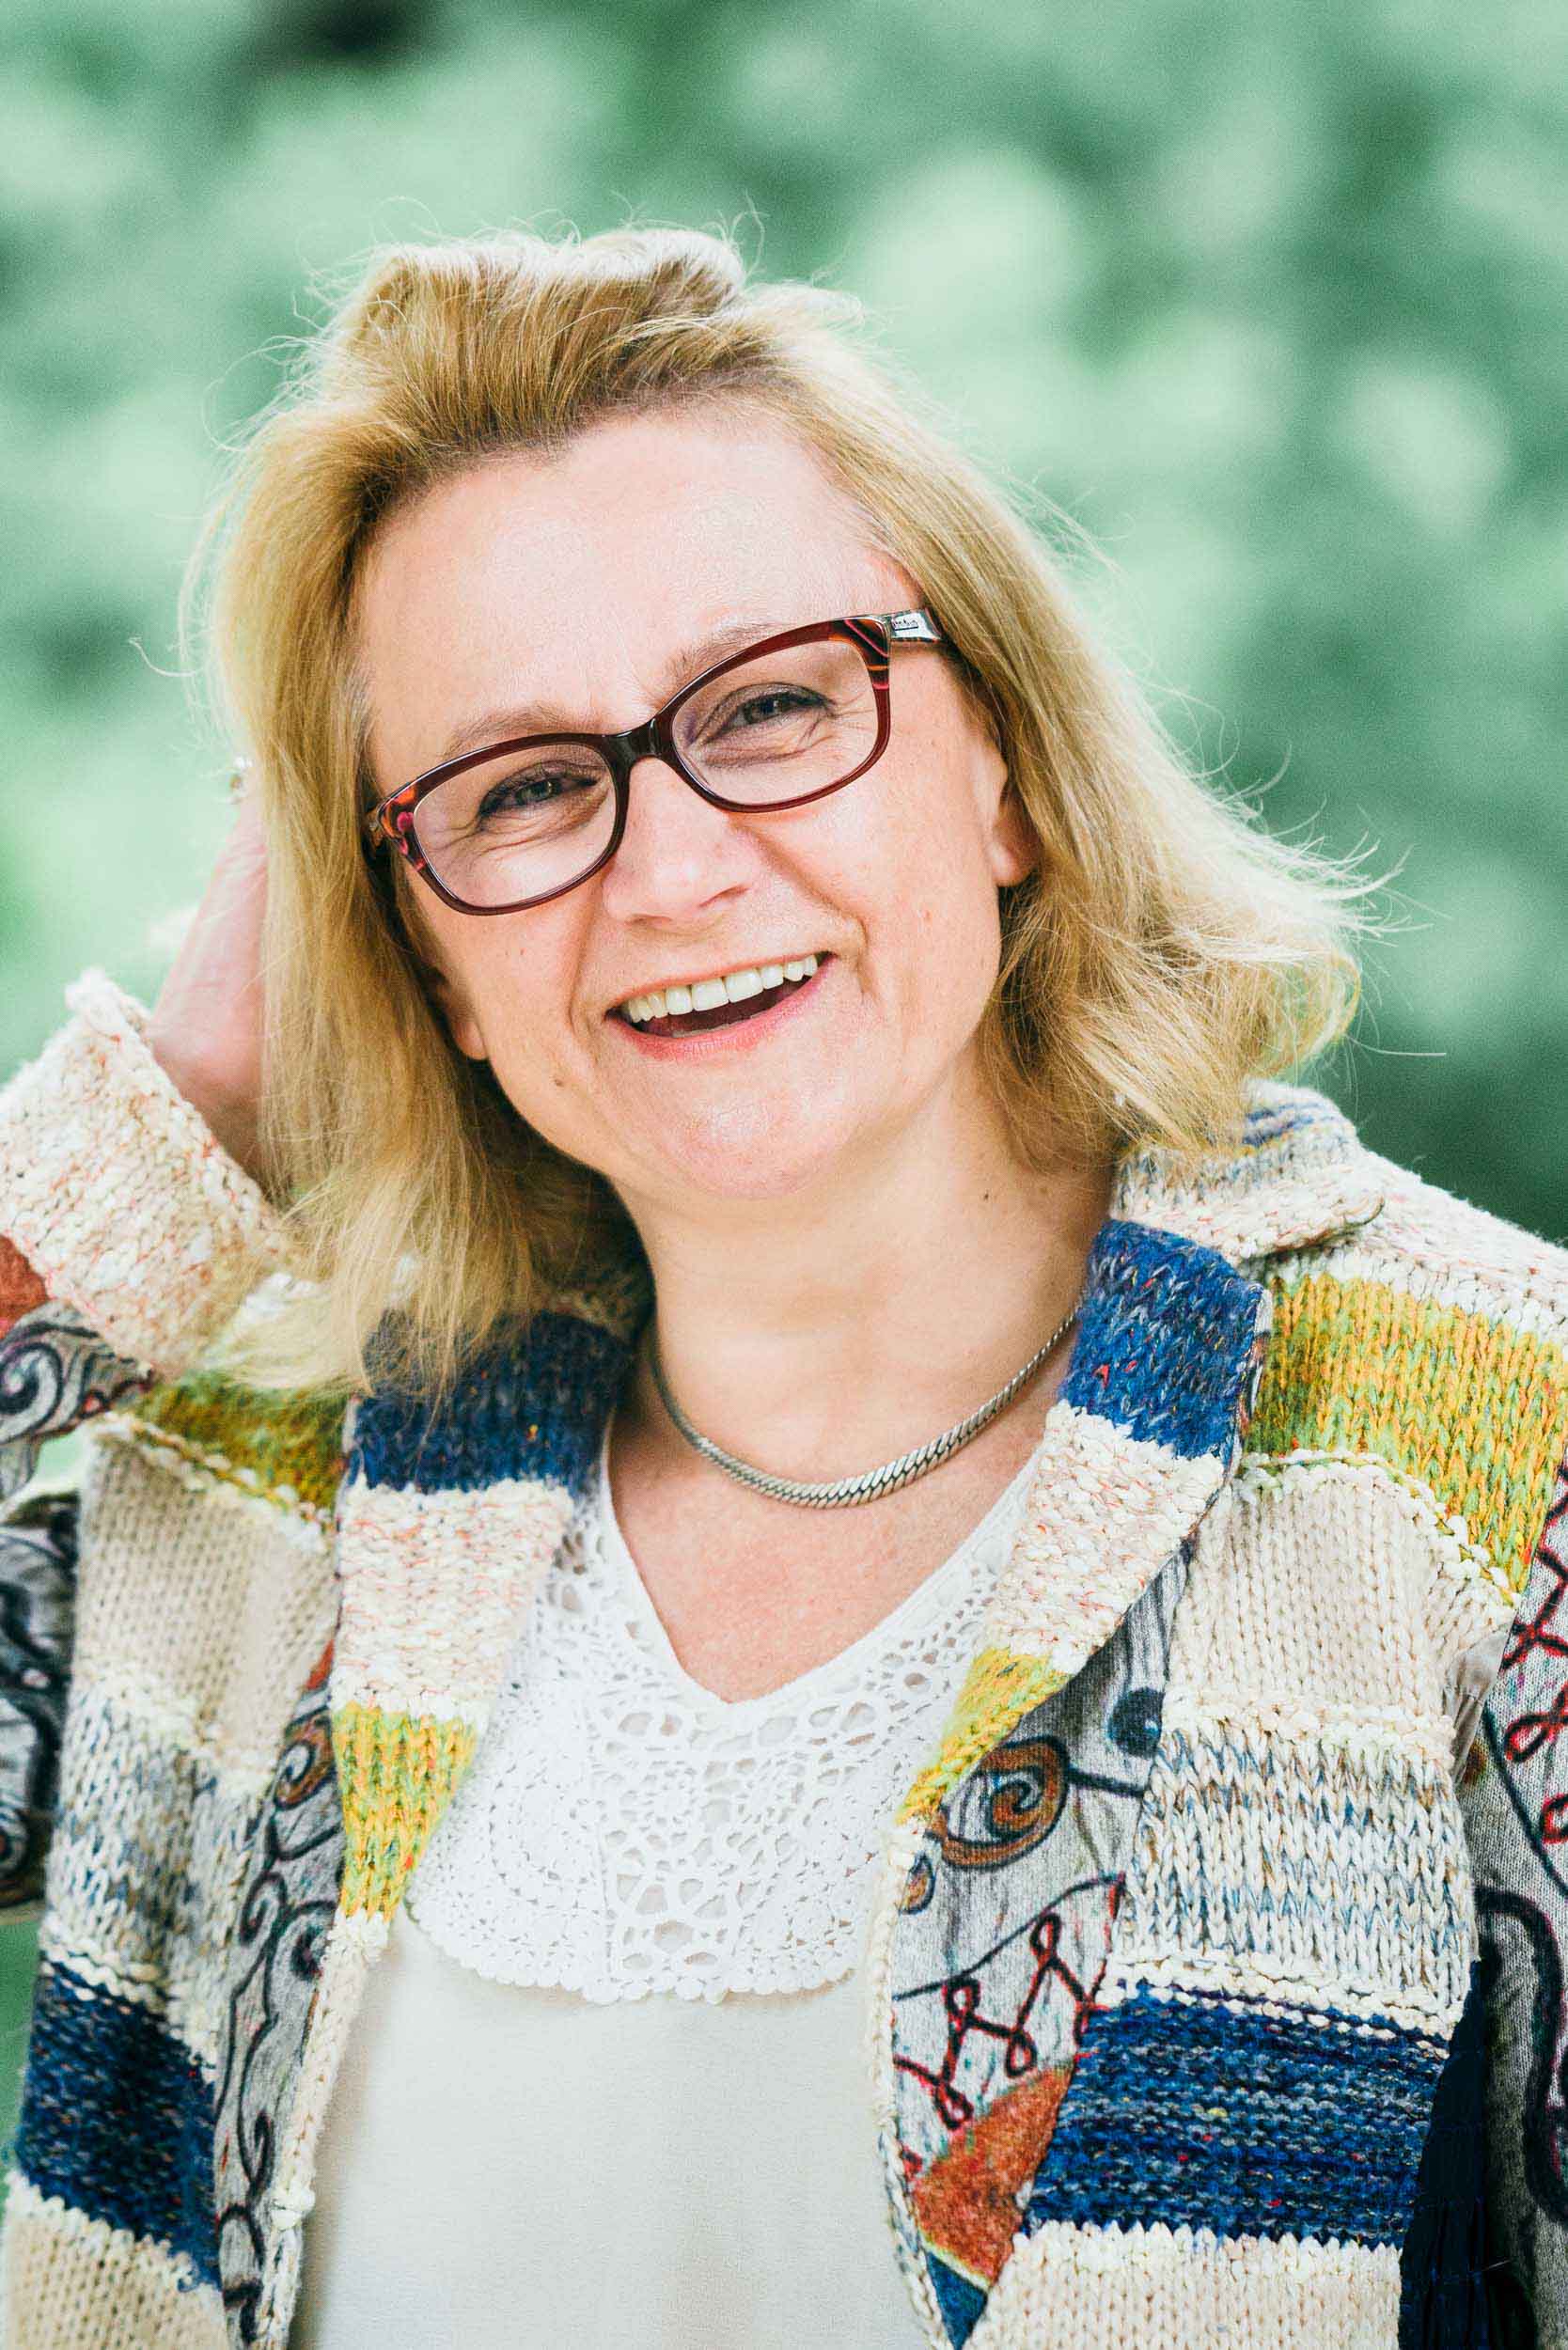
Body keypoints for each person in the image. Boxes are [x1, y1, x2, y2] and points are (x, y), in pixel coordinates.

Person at [0, 224, 1562, 2350]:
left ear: (1002, 761)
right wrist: (155, 1134)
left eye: (773, 706)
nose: (672, 864)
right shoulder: (257, 1521)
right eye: (523, 786)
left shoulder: (1485, 1438)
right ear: (420, 948)